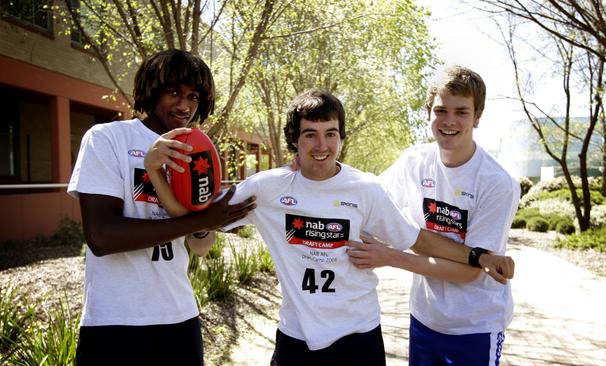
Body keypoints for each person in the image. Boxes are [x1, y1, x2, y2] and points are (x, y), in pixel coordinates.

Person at [147, 88, 514, 366]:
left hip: (358, 339)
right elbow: (199, 230)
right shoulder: (266, 188)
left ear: (341, 137)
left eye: (330, 134)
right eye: (310, 135)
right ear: (294, 139)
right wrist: (155, 174)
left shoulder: (366, 189)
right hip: (295, 339)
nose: (321, 145)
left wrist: (478, 256)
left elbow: (417, 239)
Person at [67, 49, 256, 366]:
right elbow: (101, 237)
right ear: (152, 90)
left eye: (193, 96)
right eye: (174, 93)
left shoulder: (196, 150)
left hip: (179, 317)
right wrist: (200, 220)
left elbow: (199, 246)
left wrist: (207, 223)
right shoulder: (108, 138)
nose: (184, 106)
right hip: (114, 321)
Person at [347, 65, 520, 365]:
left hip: (475, 327)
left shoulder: (498, 183)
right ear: (428, 112)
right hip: (425, 318)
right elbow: (367, 201)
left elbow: (470, 270)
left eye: (461, 112)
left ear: (478, 117)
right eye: (441, 110)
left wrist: (390, 256)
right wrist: (316, 170)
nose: (449, 121)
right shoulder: (414, 162)